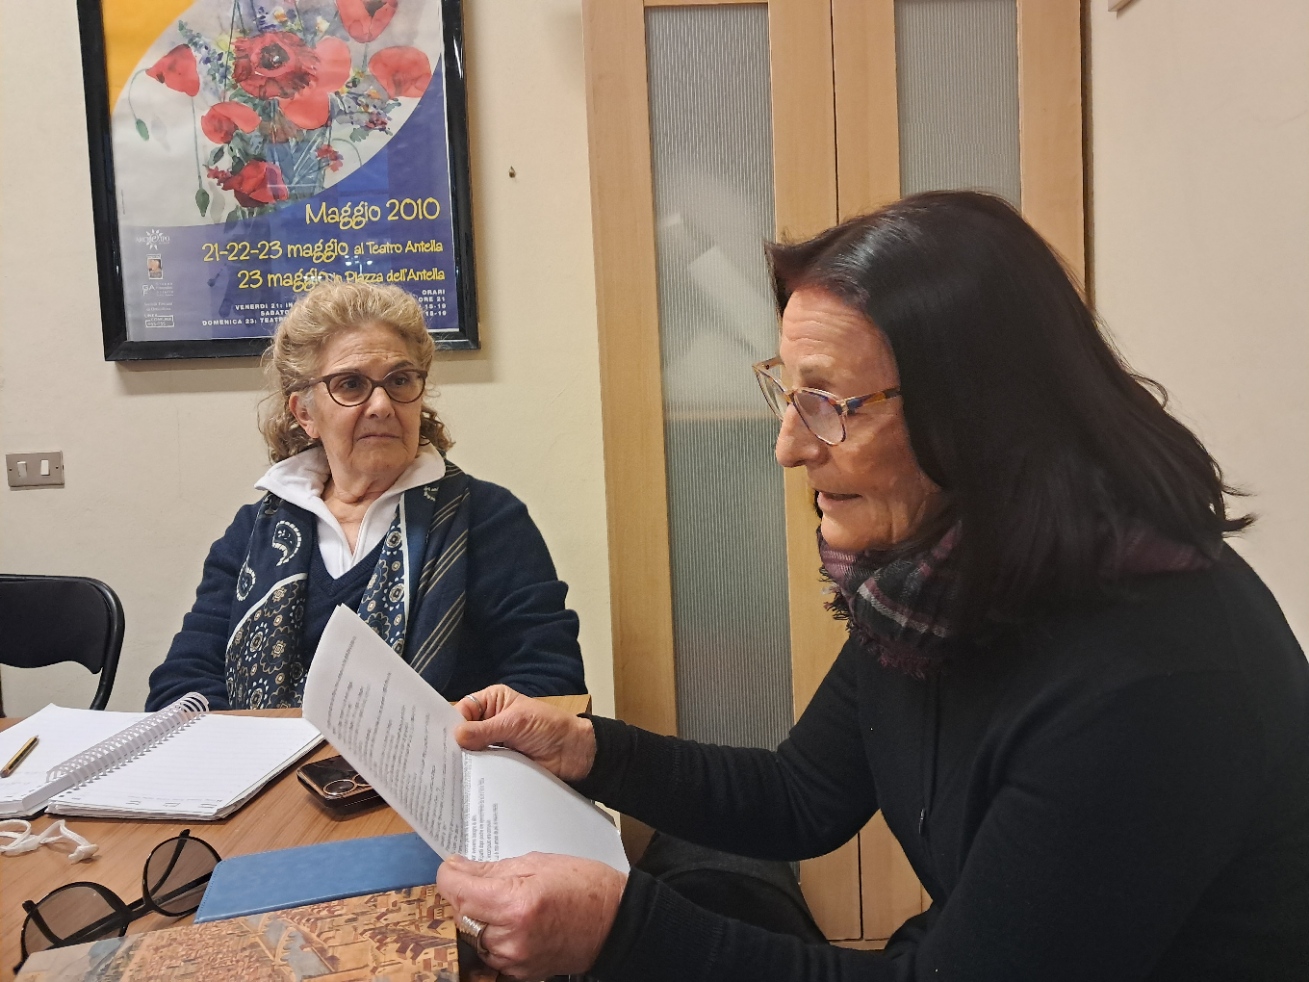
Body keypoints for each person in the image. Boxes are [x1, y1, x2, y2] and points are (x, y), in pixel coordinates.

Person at [434, 192, 1309, 982]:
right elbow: (798, 797)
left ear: (977, 416)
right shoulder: (934, 584)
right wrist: (586, 748)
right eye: (788, 392)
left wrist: (624, 932)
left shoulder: (1154, 680)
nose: (788, 447)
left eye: (829, 403)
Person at [147, 281, 586, 711]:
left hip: (448, 756)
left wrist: (455, 730)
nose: (381, 405)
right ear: (305, 413)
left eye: (400, 380)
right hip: (265, 758)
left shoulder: (487, 519)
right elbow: (181, 686)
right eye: (351, 384)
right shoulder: (251, 534)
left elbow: (551, 684)